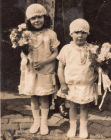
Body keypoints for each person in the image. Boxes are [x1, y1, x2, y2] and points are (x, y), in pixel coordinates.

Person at [57, 18, 111, 138]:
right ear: (71, 34)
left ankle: (83, 127)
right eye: (76, 32)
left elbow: (97, 66)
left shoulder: (92, 49)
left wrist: (101, 63)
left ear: (88, 34)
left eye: (83, 32)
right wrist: (62, 83)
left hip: (86, 84)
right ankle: (72, 127)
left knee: (84, 107)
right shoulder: (66, 49)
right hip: (71, 85)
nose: (80, 35)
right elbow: (60, 68)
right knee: (72, 106)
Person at [18, 4, 60, 135]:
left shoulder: (51, 34)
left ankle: (43, 123)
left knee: (43, 97)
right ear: (29, 21)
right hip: (31, 70)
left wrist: (44, 61)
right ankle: (36, 121)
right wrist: (26, 58)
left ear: (45, 17)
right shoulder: (26, 34)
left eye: (39, 17)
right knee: (34, 96)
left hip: (45, 68)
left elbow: (55, 53)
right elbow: (23, 53)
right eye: (33, 18)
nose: (37, 20)